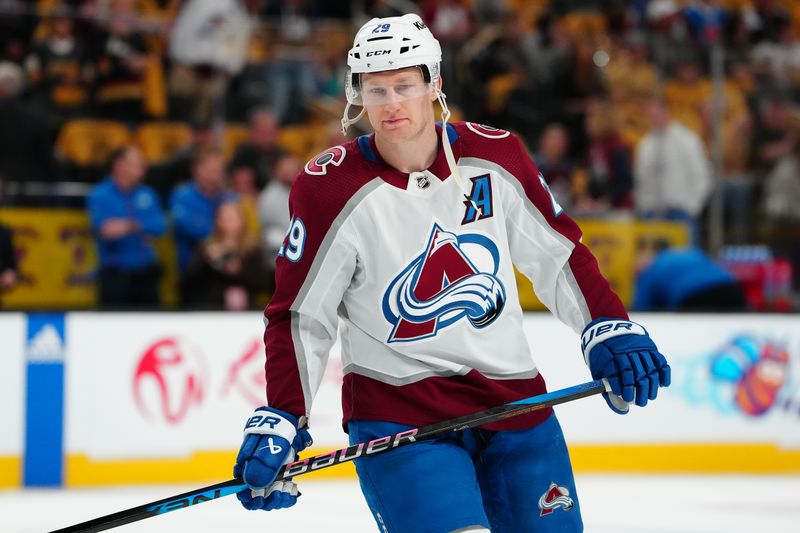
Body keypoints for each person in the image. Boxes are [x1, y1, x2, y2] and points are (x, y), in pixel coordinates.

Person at [233, 14, 671, 532]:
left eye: (404, 85)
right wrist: (284, 413)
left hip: (514, 403)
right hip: (400, 412)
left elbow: (558, 254)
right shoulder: (328, 187)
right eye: (376, 90)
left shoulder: (495, 154)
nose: (391, 103)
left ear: (434, 84)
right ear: (358, 95)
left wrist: (606, 326)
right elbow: (302, 315)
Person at [87, 145, 166, 307]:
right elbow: (106, 230)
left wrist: (126, 226)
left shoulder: (148, 193)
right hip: (115, 276)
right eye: (137, 163)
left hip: (146, 275)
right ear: (119, 165)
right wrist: (141, 227)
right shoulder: (100, 194)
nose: (143, 167)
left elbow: (159, 226)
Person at [182, 201, 272, 309]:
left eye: (232, 219)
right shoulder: (206, 247)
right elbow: (189, 283)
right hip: (211, 309)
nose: (228, 225)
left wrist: (238, 271)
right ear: (217, 221)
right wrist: (206, 260)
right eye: (224, 219)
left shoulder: (252, 248)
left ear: (242, 221)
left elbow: (264, 283)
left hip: (247, 310)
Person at [632, 239, 748, 312]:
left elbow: (642, 310)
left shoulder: (649, 271)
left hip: (694, 296)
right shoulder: (689, 253)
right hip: (730, 287)